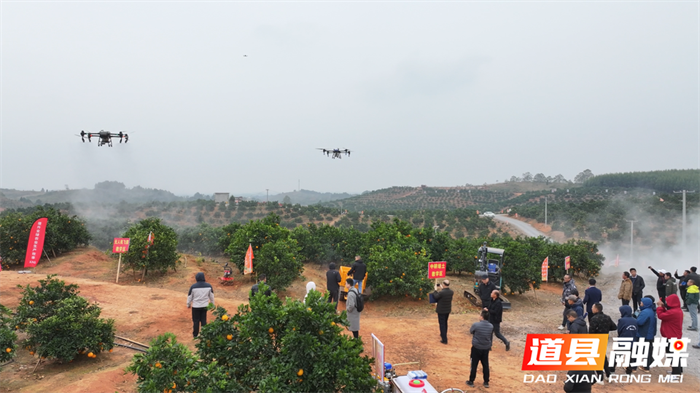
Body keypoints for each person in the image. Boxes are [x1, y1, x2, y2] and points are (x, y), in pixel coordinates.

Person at [656, 294, 683, 375]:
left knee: (672, 354)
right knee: (675, 354)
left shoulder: (673, 312)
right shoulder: (676, 310)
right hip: (674, 336)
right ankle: (678, 370)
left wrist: (660, 306)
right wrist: (662, 304)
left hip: (672, 337)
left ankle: (676, 373)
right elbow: (666, 312)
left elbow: (661, 315)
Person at [466, 311, 493, 389]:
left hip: (477, 347)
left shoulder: (476, 325)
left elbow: (471, 331)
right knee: (485, 365)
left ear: (482, 317)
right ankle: (486, 382)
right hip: (485, 348)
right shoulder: (491, 326)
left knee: (474, 364)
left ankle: (471, 381)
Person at [589, 303, 616, 378]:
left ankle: (600, 376)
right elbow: (614, 327)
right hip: (604, 338)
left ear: (596, 309)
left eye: (592, 307)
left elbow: (591, 332)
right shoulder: (607, 317)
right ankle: (608, 374)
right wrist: (606, 329)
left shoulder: (594, 319)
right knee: (603, 356)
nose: (591, 309)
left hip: (596, 340)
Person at [187, 272, 215, 338]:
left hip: (196, 306)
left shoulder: (193, 287)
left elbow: (189, 296)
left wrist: (188, 304)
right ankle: (205, 334)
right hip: (205, 306)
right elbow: (212, 296)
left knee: (196, 321)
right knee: (203, 320)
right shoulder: (209, 286)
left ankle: (195, 335)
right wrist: (212, 305)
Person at [636, 297, 657, 372]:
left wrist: (636, 318)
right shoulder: (651, 311)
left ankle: (641, 366)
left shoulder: (645, 312)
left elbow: (639, 322)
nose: (640, 304)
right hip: (650, 334)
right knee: (648, 350)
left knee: (639, 349)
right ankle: (647, 365)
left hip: (644, 333)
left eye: (641, 302)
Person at [616, 305, 638, 375]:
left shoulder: (621, 320)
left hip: (623, 340)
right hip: (633, 341)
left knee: (617, 355)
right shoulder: (635, 320)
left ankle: (611, 370)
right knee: (631, 357)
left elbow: (619, 330)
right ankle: (629, 372)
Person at [433, 279, 454, 344]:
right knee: (445, 323)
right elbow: (445, 292)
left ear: (444, 284)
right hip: (447, 310)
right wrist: (442, 288)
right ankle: (443, 334)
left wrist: (435, 290)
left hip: (441, 311)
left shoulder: (442, 293)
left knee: (442, 324)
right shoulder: (451, 292)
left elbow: (436, 296)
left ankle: (444, 339)